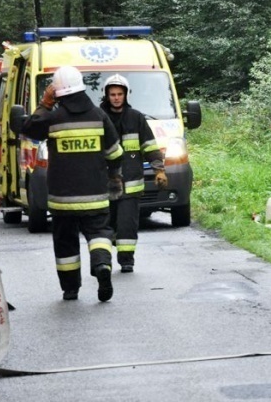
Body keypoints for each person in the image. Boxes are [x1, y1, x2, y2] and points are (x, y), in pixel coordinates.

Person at [19, 66, 124, 302]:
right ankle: (102, 266)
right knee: (99, 234)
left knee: (65, 243)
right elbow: (115, 154)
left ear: (56, 92)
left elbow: (28, 130)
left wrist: (45, 104)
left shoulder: (53, 118)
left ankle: (70, 289)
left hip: (62, 199)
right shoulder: (99, 115)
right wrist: (113, 176)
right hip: (95, 195)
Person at [100, 74, 167, 273]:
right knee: (107, 225)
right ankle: (103, 259)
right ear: (107, 95)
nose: (116, 98)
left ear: (126, 95)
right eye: (112, 94)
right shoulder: (98, 117)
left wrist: (159, 170)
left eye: (119, 94)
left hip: (131, 183)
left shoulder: (136, 117)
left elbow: (149, 146)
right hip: (105, 183)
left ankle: (126, 260)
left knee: (127, 224)